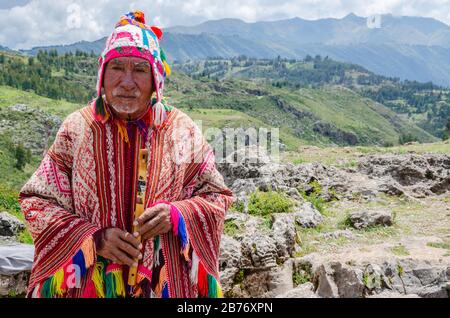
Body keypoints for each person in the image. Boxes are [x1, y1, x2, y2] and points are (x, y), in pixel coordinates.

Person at [19, 10, 233, 298]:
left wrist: (177, 215)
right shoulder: (77, 128)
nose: (127, 82)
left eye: (140, 69)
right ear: (103, 74)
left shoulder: (183, 130)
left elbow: (217, 197)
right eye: (117, 67)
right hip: (89, 284)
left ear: (156, 78)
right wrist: (93, 238)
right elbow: (37, 200)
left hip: (161, 285)